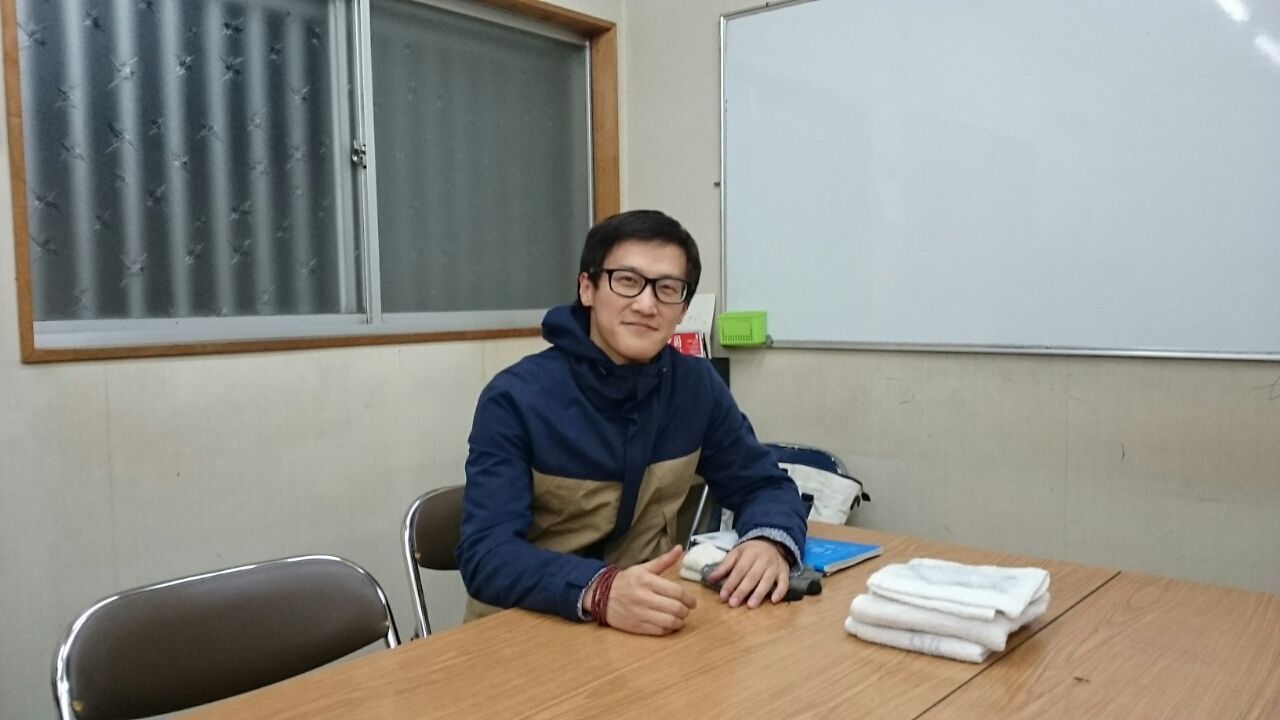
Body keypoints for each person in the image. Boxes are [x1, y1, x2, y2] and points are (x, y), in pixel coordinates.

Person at [457, 209, 808, 636]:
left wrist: (768, 542)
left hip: (646, 628)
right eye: (626, 280)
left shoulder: (695, 386)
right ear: (587, 288)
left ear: (683, 310)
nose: (646, 304)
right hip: (525, 627)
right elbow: (487, 553)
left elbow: (764, 485)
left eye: (667, 289)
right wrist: (600, 589)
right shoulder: (515, 397)